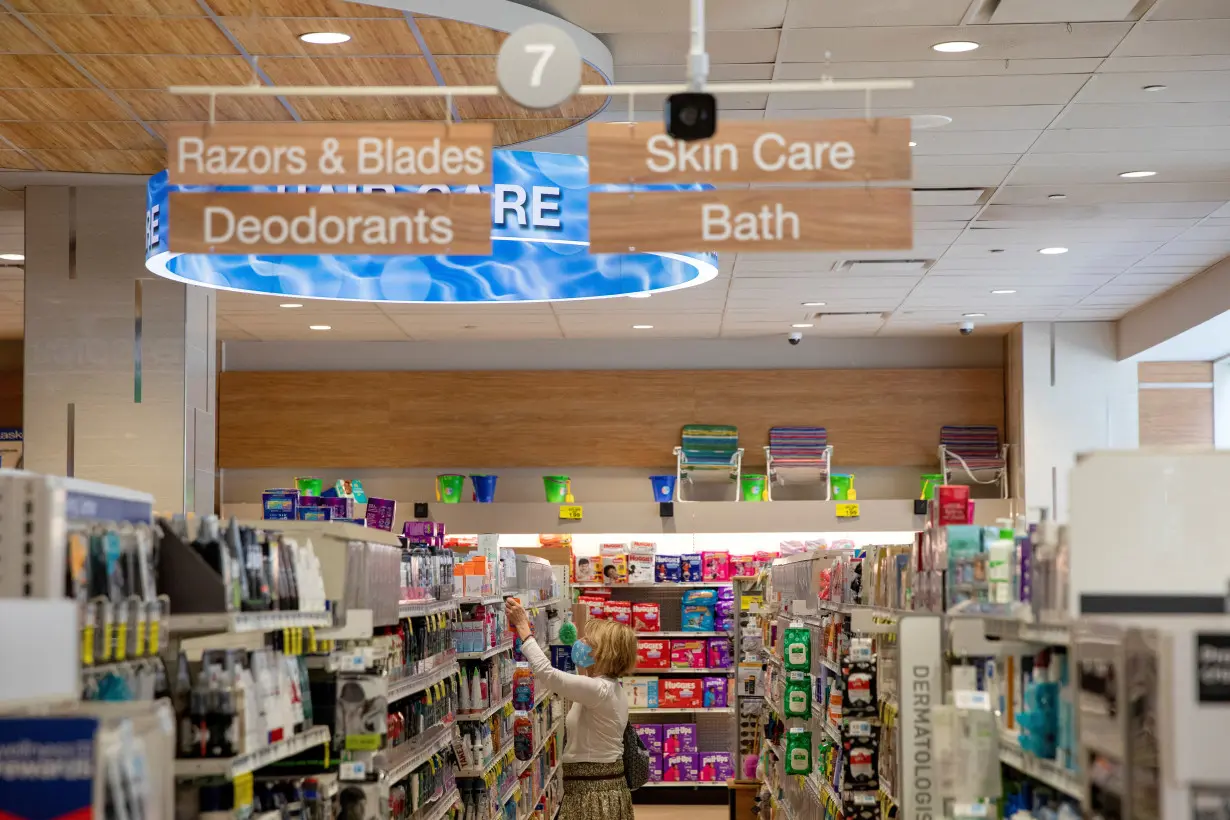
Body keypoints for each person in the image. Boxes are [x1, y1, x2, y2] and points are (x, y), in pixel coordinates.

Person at [505, 598, 637, 820]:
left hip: (594, 794)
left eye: (588, 641)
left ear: (604, 653)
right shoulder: (603, 687)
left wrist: (523, 628)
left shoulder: (599, 690)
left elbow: (549, 675)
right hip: (588, 789)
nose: (581, 642)